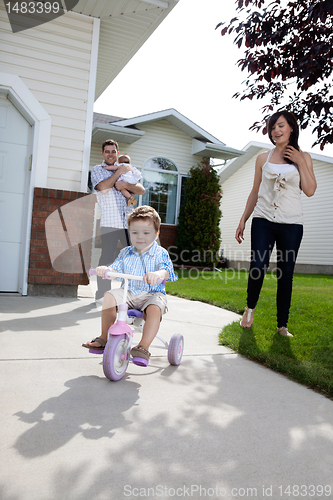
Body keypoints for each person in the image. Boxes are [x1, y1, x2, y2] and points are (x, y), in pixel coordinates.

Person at [235, 110, 317, 336]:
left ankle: (282, 325)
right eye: (272, 128)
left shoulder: (304, 157)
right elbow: (255, 191)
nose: (276, 131)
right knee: (258, 265)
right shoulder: (263, 158)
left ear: (291, 127)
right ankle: (250, 307)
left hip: (291, 224)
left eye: (280, 126)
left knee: (285, 272)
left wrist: (300, 161)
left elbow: (310, 190)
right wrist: (244, 218)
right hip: (263, 220)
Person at [82, 205, 178, 365]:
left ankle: (143, 346)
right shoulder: (126, 252)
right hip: (130, 292)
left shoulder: (160, 253)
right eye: (135, 233)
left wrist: (158, 275)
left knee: (155, 308)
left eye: (146, 233)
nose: (140, 237)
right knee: (110, 296)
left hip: (152, 294)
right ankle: (104, 337)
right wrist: (107, 269)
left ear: (156, 234)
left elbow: (166, 270)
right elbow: (116, 266)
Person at [91, 140, 145, 302]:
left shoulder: (126, 170)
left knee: (133, 257)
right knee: (107, 257)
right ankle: (102, 294)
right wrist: (118, 174)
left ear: (117, 152)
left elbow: (141, 189)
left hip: (128, 222)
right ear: (103, 154)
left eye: (113, 151)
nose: (110, 154)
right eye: (107, 151)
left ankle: (129, 294)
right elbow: (103, 188)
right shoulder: (98, 170)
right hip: (110, 221)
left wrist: (124, 183)